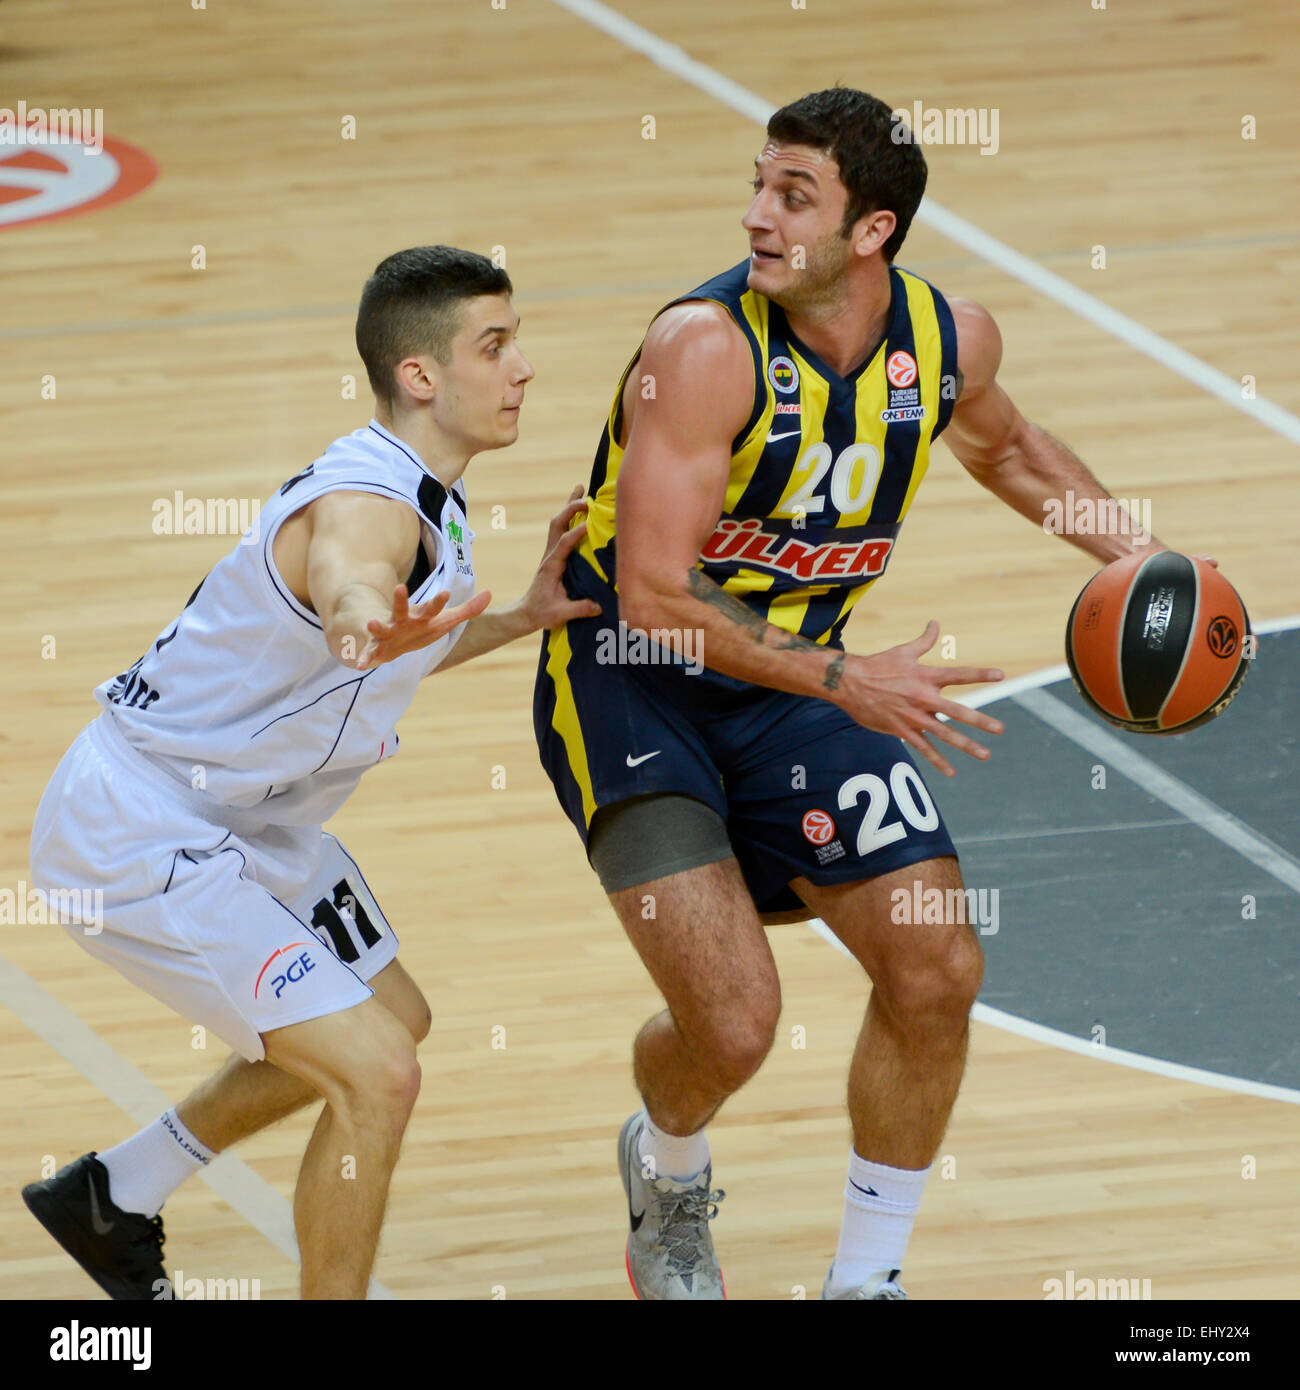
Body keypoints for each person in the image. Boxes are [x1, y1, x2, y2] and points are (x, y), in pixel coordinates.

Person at [533, 88, 1185, 1300]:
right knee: (732, 1026)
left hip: (796, 685)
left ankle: (865, 1280)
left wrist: (1138, 557)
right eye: (757, 186)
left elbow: (1004, 445)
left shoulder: (946, 340)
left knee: (937, 971)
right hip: (636, 681)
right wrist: (846, 678)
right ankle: (667, 1169)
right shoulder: (705, 347)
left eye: (793, 197)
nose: (755, 217)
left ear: (871, 231)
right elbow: (657, 598)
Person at [24, 244, 599, 1301]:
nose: (522, 369)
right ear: (422, 375)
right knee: (378, 1071)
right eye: (496, 345)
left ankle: (113, 1193)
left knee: (394, 1017)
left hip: (250, 823)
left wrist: (523, 615)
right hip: (144, 830)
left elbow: (403, 632)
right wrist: (356, 623)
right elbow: (354, 586)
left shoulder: (428, 494)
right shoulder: (368, 503)